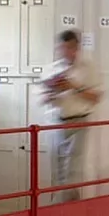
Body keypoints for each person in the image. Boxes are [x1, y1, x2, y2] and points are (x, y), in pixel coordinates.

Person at [39, 29, 100, 199]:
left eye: (71, 48)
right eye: (64, 48)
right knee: (57, 169)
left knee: (73, 169)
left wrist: (73, 87)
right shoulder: (52, 69)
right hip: (57, 121)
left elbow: (95, 98)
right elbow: (43, 100)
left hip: (79, 121)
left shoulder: (88, 69)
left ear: (77, 48)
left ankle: (69, 208)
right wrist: (53, 91)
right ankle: (60, 207)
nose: (67, 52)